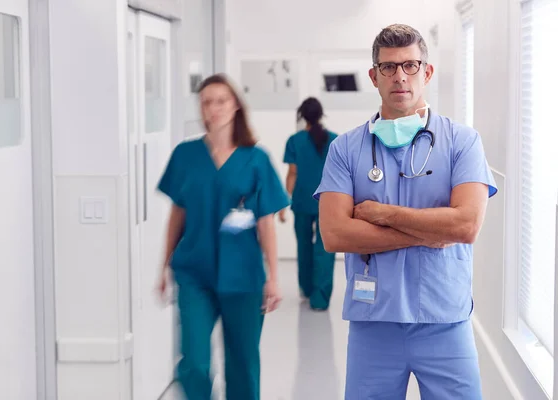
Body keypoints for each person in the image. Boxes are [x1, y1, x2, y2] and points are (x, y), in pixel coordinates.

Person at [314, 24, 497, 399]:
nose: (400, 76)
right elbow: (335, 235)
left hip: (445, 320)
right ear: (374, 77)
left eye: (411, 65)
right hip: (374, 323)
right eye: (388, 67)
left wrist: (382, 214)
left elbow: (465, 225)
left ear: (426, 73)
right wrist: (432, 231)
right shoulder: (345, 149)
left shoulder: (462, 142)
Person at [156, 74, 289, 400]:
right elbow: (178, 214)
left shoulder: (256, 159)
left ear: (235, 107)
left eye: (221, 101)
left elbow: (265, 222)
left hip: (243, 275)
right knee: (194, 364)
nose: (213, 109)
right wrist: (163, 265)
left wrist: (273, 277)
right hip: (195, 272)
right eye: (206, 102)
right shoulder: (186, 155)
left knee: (242, 365)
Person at [280, 97, 337, 310]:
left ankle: (305, 289)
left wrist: (284, 204)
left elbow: (292, 174)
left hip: (302, 201)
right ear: (321, 115)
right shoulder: (335, 140)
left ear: (303, 117)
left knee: (304, 246)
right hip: (328, 202)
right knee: (325, 248)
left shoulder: (294, 141)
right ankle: (320, 299)